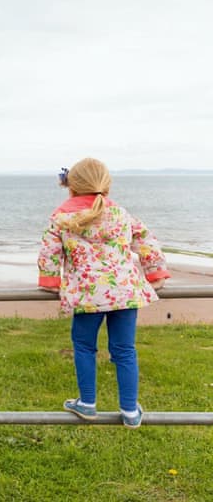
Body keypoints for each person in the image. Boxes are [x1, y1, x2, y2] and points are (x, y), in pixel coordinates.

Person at [37, 157, 170, 429]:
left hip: (88, 294)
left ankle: (87, 404)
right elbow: (147, 241)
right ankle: (131, 411)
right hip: (124, 292)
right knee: (124, 350)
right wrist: (155, 274)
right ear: (106, 187)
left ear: (70, 187)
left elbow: (49, 252)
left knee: (84, 347)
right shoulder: (121, 214)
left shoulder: (61, 218)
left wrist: (50, 281)